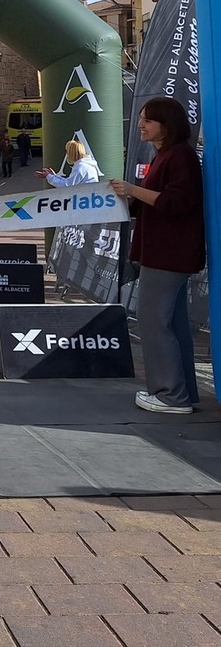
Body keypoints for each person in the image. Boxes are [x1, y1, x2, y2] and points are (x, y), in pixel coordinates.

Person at [110, 97, 205, 414]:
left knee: (154, 324)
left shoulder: (179, 157)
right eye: (141, 118)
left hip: (168, 256)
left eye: (147, 120)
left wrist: (132, 190)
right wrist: (130, 195)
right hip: (166, 255)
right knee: (172, 325)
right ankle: (182, 393)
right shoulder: (169, 155)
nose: (140, 124)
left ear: (167, 124)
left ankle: (170, 395)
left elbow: (177, 203)